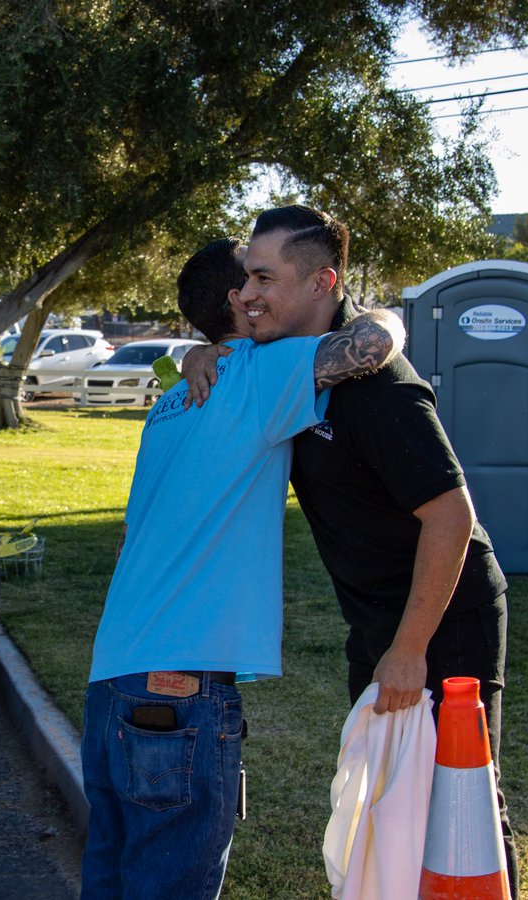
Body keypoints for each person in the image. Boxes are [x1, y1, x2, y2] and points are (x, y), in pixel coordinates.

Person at [182, 206, 518, 897]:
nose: (246, 293)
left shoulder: (378, 388)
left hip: (442, 617)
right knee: (394, 790)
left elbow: (452, 517)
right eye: (246, 277)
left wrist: (411, 648)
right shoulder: (286, 363)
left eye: (264, 277)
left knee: (462, 794)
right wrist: (196, 351)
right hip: (375, 619)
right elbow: (216, 353)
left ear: (322, 283)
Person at [80, 237, 404, 899]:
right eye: (259, 278)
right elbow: (371, 345)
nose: (267, 291)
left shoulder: (175, 398)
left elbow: (130, 536)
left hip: (113, 673)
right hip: (180, 682)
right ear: (239, 300)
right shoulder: (262, 369)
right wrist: (390, 316)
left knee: (112, 881)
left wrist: (197, 351)